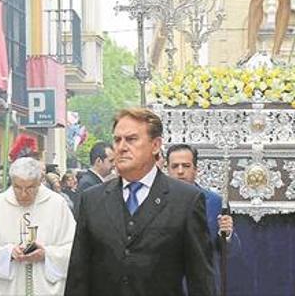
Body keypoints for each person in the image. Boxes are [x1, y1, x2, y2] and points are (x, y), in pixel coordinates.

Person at [65, 108, 215, 296]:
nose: (121, 147)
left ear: (155, 145)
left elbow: (200, 278)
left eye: (131, 139)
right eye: (117, 140)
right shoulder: (92, 199)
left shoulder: (186, 200)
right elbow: (78, 275)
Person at [0, 157, 76, 295]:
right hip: (8, 289)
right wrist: (8, 253)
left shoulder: (57, 205)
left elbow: (74, 248)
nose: (23, 194)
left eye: (30, 188)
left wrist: (46, 254)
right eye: (17, 187)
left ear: (40, 182)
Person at [166, 143, 241, 295]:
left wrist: (226, 235)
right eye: (175, 166)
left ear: (196, 169)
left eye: (186, 166)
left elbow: (231, 251)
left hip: (203, 286)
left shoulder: (215, 202)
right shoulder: (154, 200)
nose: (180, 171)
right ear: (167, 169)